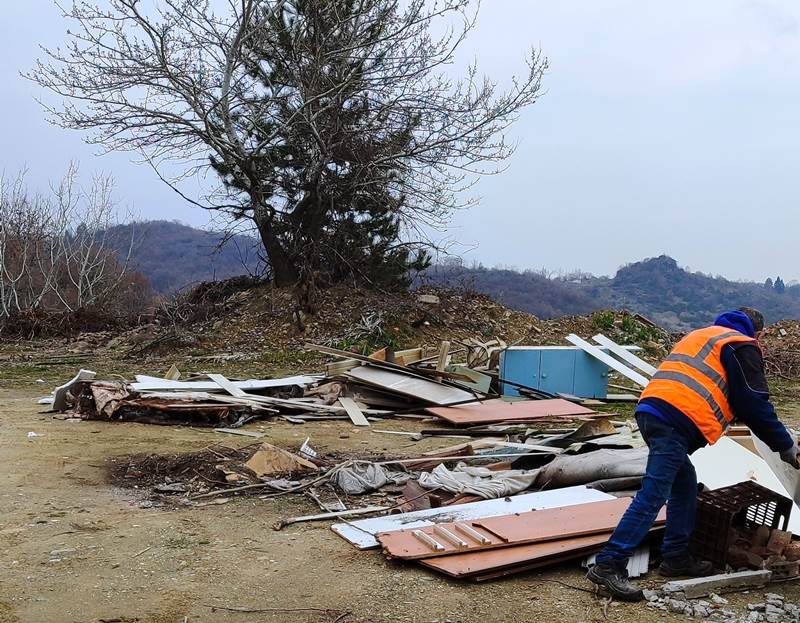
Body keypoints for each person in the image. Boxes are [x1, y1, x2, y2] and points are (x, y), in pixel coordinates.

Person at [587, 307, 800, 601]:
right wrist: (786, 446)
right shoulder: (742, 344)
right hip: (675, 420)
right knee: (654, 492)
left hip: (652, 412)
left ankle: (675, 556)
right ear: (759, 333)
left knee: (684, 483)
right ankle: (609, 563)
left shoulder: (703, 336)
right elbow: (754, 403)